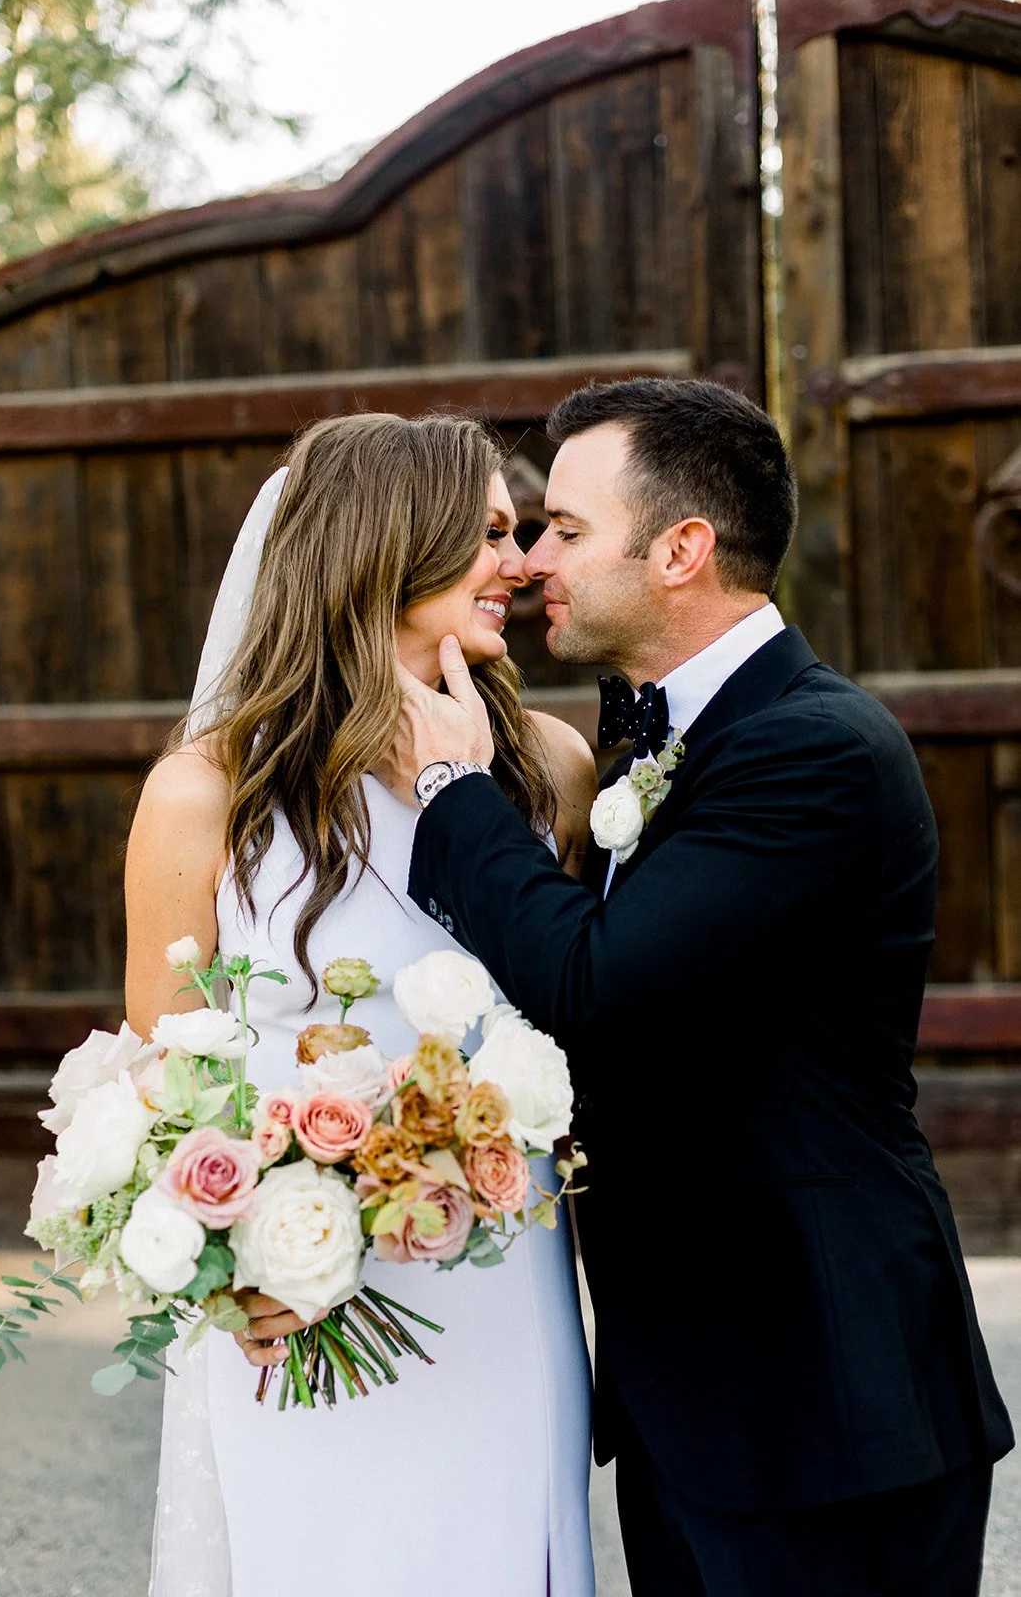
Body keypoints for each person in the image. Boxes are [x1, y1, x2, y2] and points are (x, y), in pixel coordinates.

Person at [380, 378, 1015, 1597]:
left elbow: (591, 983)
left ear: (680, 550)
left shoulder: (811, 748)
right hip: (693, 1398)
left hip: (820, 1400)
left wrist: (452, 794)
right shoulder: (655, 733)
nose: (530, 560)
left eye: (565, 529)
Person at [124, 412, 598, 1597]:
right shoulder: (204, 795)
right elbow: (160, 1078)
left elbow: (580, 997)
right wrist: (233, 1264)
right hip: (299, 1298)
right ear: (387, 546)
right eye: (487, 533)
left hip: (499, 1285)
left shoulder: (547, 766)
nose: (519, 561)